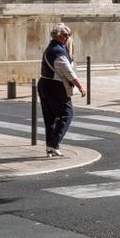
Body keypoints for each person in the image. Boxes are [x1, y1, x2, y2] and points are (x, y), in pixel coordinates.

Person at [37, 23, 84, 158]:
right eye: (64, 35)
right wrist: (80, 87)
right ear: (56, 35)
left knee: (50, 118)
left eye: (69, 35)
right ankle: (54, 143)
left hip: (45, 84)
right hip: (55, 87)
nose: (67, 37)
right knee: (67, 114)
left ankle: (50, 147)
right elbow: (68, 72)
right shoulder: (58, 51)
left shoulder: (54, 48)